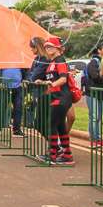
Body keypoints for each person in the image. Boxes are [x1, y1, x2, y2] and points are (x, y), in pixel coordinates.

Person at [34, 37, 75, 165]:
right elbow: (53, 79)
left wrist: (51, 84)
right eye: (46, 47)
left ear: (58, 48)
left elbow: (63, 79)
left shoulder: (60, 61)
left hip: (61, 97)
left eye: (51, 46)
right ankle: (67, 155)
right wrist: (44, 82)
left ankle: (52, 154)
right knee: (60, 126)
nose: (48, 49)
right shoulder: (52, 62)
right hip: (56, 97)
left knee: (50, 124)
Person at [84, 43, 103, 148]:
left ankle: (98, 139)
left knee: (99, 117)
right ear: (99, 50)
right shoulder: (94, 62)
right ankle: (93, 139)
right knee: (94, 117)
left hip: (100, 93)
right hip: (92, 92)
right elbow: (94, 76)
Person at [0, 64, 24, 137]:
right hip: (5, 88)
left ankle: (16, 130)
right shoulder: (2, 59)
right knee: (2, 107)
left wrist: (25, 80)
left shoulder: (19, 59)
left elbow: (26, 71)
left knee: (18, 108)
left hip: (18, 87)